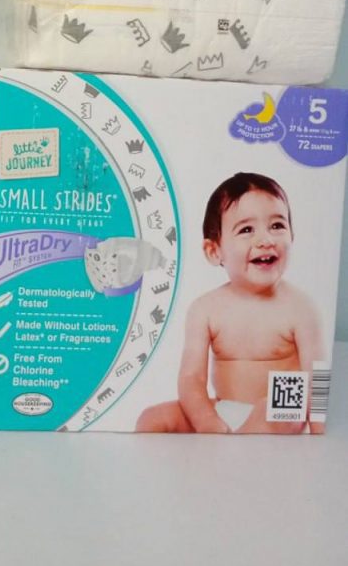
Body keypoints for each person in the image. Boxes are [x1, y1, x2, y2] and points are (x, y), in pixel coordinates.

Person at [136, 171, 324, 434]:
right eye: (246, 229)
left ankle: (231, 453)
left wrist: (319, 435)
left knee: (279, 404)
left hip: (280, 412)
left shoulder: (301, 308)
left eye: (277, 226)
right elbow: (192, 379)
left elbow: (317, 381)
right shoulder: (205, 309)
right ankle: (212, 451)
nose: (266, 240)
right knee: (152, 418)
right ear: (215, 251)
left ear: (292, 235)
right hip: (223, 410)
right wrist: (207, 421)